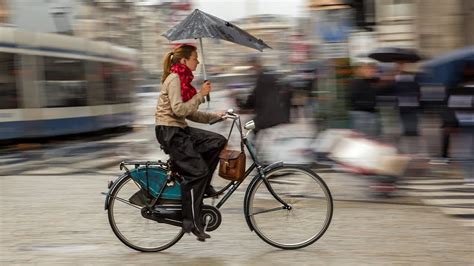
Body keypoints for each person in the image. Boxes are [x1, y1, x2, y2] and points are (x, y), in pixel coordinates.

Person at [155, 44, 227, 241]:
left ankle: (203, 185)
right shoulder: (175, 79)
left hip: (179, 129)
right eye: (195, 58)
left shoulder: (184, 80)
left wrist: (216, 117)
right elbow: (179, 110)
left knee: (217, 140)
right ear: (184, 61)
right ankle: (191, 222)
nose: (198, 61)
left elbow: (191, 112)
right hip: (170, 131)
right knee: (197, 173)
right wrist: (200, 95)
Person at [348, 61, 380, 137]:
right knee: (362, 139)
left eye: (373, 70)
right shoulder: (356, 82)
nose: (372, 71)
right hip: (361, 114)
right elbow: (352, 99)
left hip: (370, 113)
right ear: (362, 70)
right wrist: (371, 104)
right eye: (369, 69)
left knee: (370, 138)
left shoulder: (370, 81)